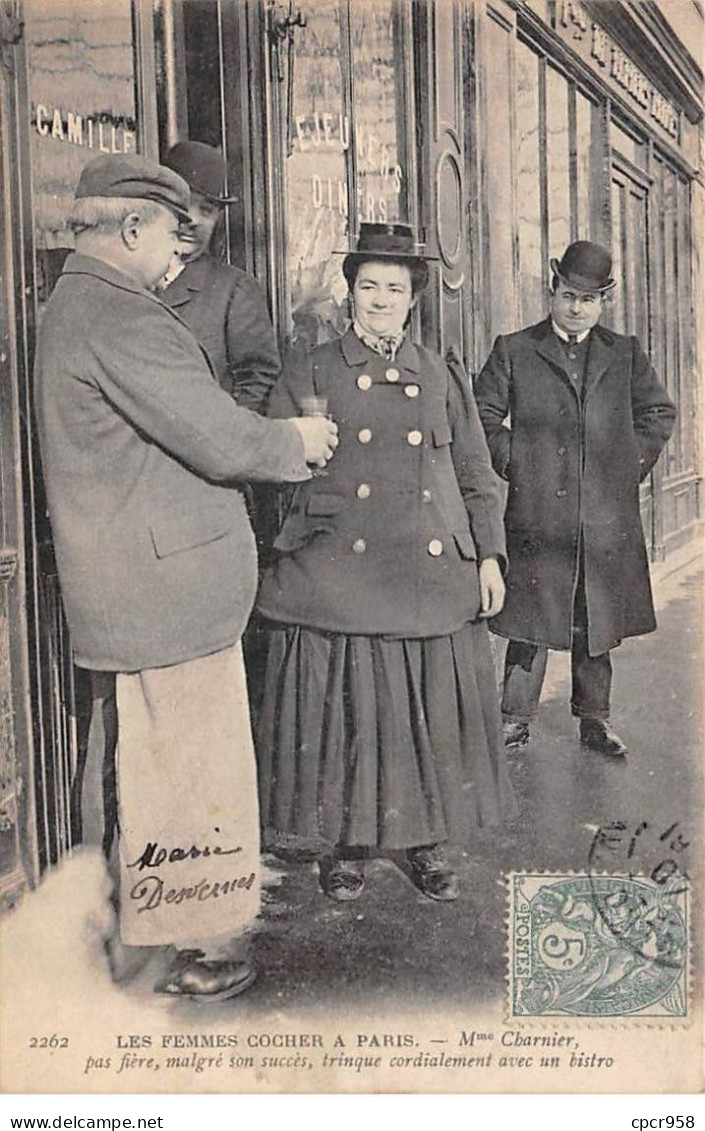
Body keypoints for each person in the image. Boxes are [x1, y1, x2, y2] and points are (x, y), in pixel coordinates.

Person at [34, 153, 338, 1001]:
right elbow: (219, 435)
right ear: (131, 228)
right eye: (171, 235)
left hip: (145, 589)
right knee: (186, 771)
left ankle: (147, 938)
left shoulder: (80, 306)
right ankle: (190, 948)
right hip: (166, 596)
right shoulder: (120, 314)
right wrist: (296, 444)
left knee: (155, 765)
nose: (178, 255)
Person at [255, 223, 517, 903]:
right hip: (340, 567)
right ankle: (342, 842)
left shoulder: (439, 372)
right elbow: (276, 464)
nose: (379, 298)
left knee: (422, 713)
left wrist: (489, 555)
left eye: (393, 288)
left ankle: (425, 840)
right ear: (349, 293)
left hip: (427, 571)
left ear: (413, 299)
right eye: (367, 285)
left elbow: (475, 471)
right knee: (349, 711)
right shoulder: (311, 367)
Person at [474, 241, 676, 757]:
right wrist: (516, 462)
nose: (575, 307)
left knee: (596, 621)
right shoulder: (514, 349)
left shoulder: (623, 353)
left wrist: (624, 469)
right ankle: (515, 720)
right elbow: (481, 418)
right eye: (567, 295)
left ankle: (595, 720)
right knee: (530, 621)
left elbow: (658, 415)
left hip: (603, 518)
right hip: (538, 513)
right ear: (552, 290)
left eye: (588, 300)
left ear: (603, 302)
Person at [160, 140, 280, 412]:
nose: (193, 219)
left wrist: (222, 442)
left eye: (207, 210)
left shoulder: (235, 290)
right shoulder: (132, 278)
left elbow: (258, 383)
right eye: (185, 204)